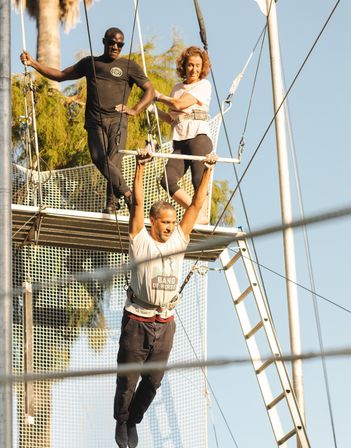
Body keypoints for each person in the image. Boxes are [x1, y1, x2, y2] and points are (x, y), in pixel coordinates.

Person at [113, 147, 217, 448]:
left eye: (173, 222)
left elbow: (196, 205)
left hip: (165, 322)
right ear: (153, 221)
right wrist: (141, 166)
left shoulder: (180, 239)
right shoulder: (140, 239)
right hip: (137, 319)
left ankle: (134, 419)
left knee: (154, 381)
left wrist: (207, 169)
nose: (171, 227)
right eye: (165, 222)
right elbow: (138, 202)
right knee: (128, 380)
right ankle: (121, 419)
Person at [20, 27, 155, 213]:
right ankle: (128, 194)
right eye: (111, 42)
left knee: (113, 162)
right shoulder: (90, 63)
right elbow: (60, 76)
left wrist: (135, 110)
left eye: (119, 44)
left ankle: (111, 204)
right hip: (94, 121)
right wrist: (33, 63)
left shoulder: (129, 66)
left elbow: (150, 90)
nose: (115, 46)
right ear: (104, 41)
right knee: (99, 158)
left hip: (117, 120)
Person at [154, 46, 213, 223]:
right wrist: (153, 109)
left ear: (202, 67)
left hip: (198, 136)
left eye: (197, 65)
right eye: (190, 65)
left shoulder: (203, 85)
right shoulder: (177, 88)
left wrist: (158, 96)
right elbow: (172, 117)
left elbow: (180, 105)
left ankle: (200, 215)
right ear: (184, 66)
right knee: (167, 179)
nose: (194, 69)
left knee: (198, 179)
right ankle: (194, 211)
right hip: (180, 140)